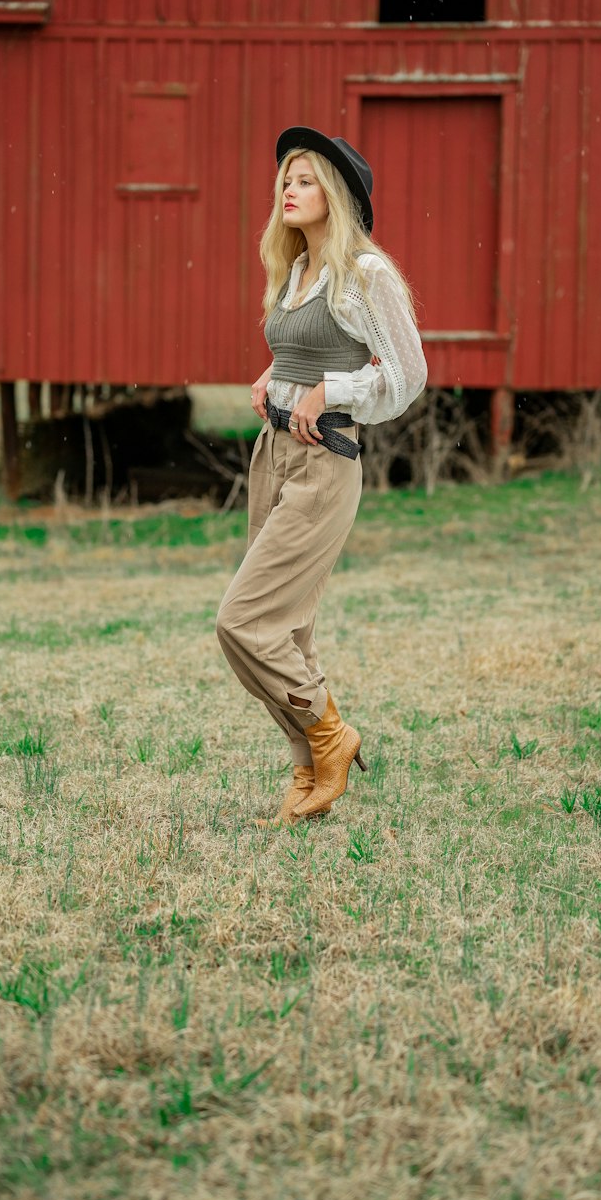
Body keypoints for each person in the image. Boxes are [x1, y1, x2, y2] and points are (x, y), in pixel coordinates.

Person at [216, 125, 427, 826]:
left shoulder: (366, 273)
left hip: (323, 462)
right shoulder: (298, 270)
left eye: (304, 179)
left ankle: (332, 735)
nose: (288, 189)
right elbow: (305, 348)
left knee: (243, 621)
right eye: (285, 179)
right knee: (289, 629)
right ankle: (308, 768)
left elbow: (405, 377)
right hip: (272, 454)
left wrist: (331, 390)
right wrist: (275, 375)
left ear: (335, 195)